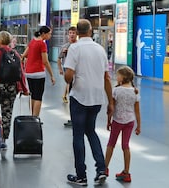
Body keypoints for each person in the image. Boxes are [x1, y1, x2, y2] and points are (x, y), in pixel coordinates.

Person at [63, 19, 113, 186]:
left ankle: (81, 176)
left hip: (79, 97)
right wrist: (110, 102)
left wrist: (69, 75)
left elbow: (68, 76)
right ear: (91, 31)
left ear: (77, 32)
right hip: (97, 98)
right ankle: (101, 169)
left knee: (78, 135)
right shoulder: (100, 49)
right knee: (91, 132)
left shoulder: (74, 48)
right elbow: (107, 78)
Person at [0, 31, 29, 149]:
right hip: (11, 88)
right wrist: (24, 89)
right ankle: (3, 140)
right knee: (7, 114)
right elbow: (21, 73)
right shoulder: (15, 53)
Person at [104, 66, 141, 183]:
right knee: (126, 146)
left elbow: (111, 108)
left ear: (123, 77)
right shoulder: (135, 91)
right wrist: (139, 125)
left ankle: (104, 168)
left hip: (117, 121)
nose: (116, 76)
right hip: (130, 122)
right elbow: (137, 111)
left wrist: (108, 120)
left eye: (118, 75)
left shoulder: (116, 91)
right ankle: (126, 172)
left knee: (111, 144)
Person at [21, 26, 56, 116]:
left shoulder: (32, 41)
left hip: (29, 73)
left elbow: (24, 54)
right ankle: (36, 118)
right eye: (49, 34)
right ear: (44, 34)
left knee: (33, 95)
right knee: (38, 97)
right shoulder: (42, 44)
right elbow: (45, 61)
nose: (50, 36)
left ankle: (32, 116)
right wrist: (52, 75)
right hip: (38, 73)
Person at [58, 26, 77, 127]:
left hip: (77, 71)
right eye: (70, 33)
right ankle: (73, 118)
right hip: (67, 69)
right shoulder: (65, 46)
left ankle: (76, 118)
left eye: (73, 32)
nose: (72, 34)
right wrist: (60, 69)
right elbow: (59, 58)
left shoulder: (78, 46)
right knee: (71, 92)